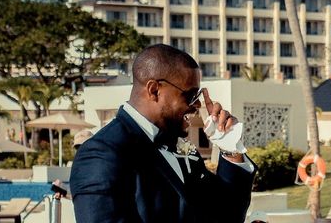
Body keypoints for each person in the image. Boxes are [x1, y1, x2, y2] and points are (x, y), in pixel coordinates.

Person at [70, 44, 255, 222]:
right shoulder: (101, 154)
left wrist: (231, 150)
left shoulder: (182, 147)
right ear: (154, 90)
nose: (198, 105)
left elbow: (225, 216)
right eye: (190, 96)